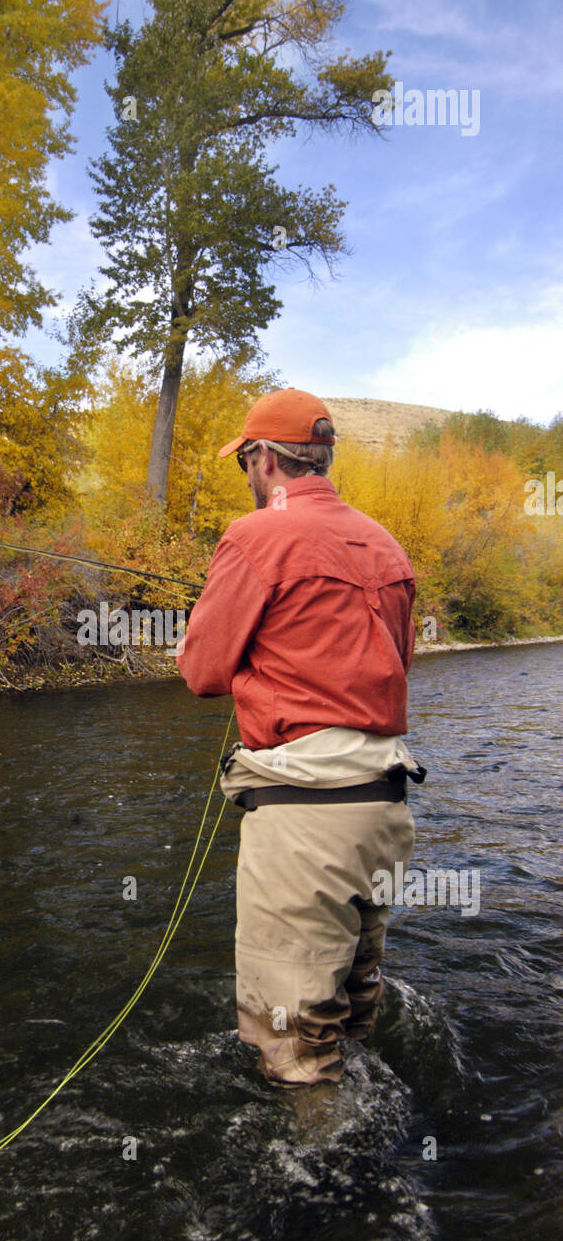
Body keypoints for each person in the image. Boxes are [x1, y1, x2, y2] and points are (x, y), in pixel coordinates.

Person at [176, 388, 425, 1086]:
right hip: (385, 809)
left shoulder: (255, 536)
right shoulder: (386, 543)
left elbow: (201, 670)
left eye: (244, 462)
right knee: (352, 1009)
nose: (246, 477)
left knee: (292, 1041)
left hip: (304, 821)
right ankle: (384, 1153)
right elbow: (392, 666)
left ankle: (325, 1184)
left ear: (262, 458)